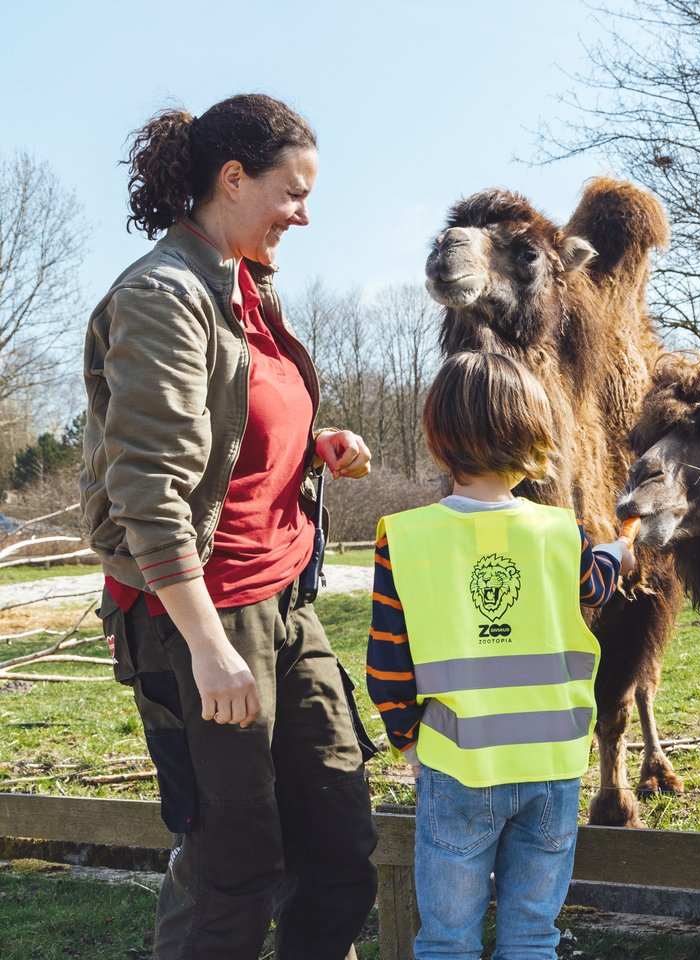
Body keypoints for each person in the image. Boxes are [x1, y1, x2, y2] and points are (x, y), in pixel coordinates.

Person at [80, 94, 379, 960]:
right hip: (200, 618)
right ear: (233, 177)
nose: (304, 212)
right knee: (233, 869)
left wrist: (312, 446)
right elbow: (146, 485)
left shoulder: (246, 287)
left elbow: (232, 430)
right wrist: (209, 647)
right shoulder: (163, 298)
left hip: (284, 602)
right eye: (292, 191)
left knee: (338, 849)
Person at [367, 350, 637, 960]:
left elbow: (386, 666)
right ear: (533, 436)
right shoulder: (561, 533)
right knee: (532, 937)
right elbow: (595, 582)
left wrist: (412, 744)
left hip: (456, 769)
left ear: (438, 439)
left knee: (446, 939)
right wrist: (620, 552)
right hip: (551, 769)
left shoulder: (405, 539)